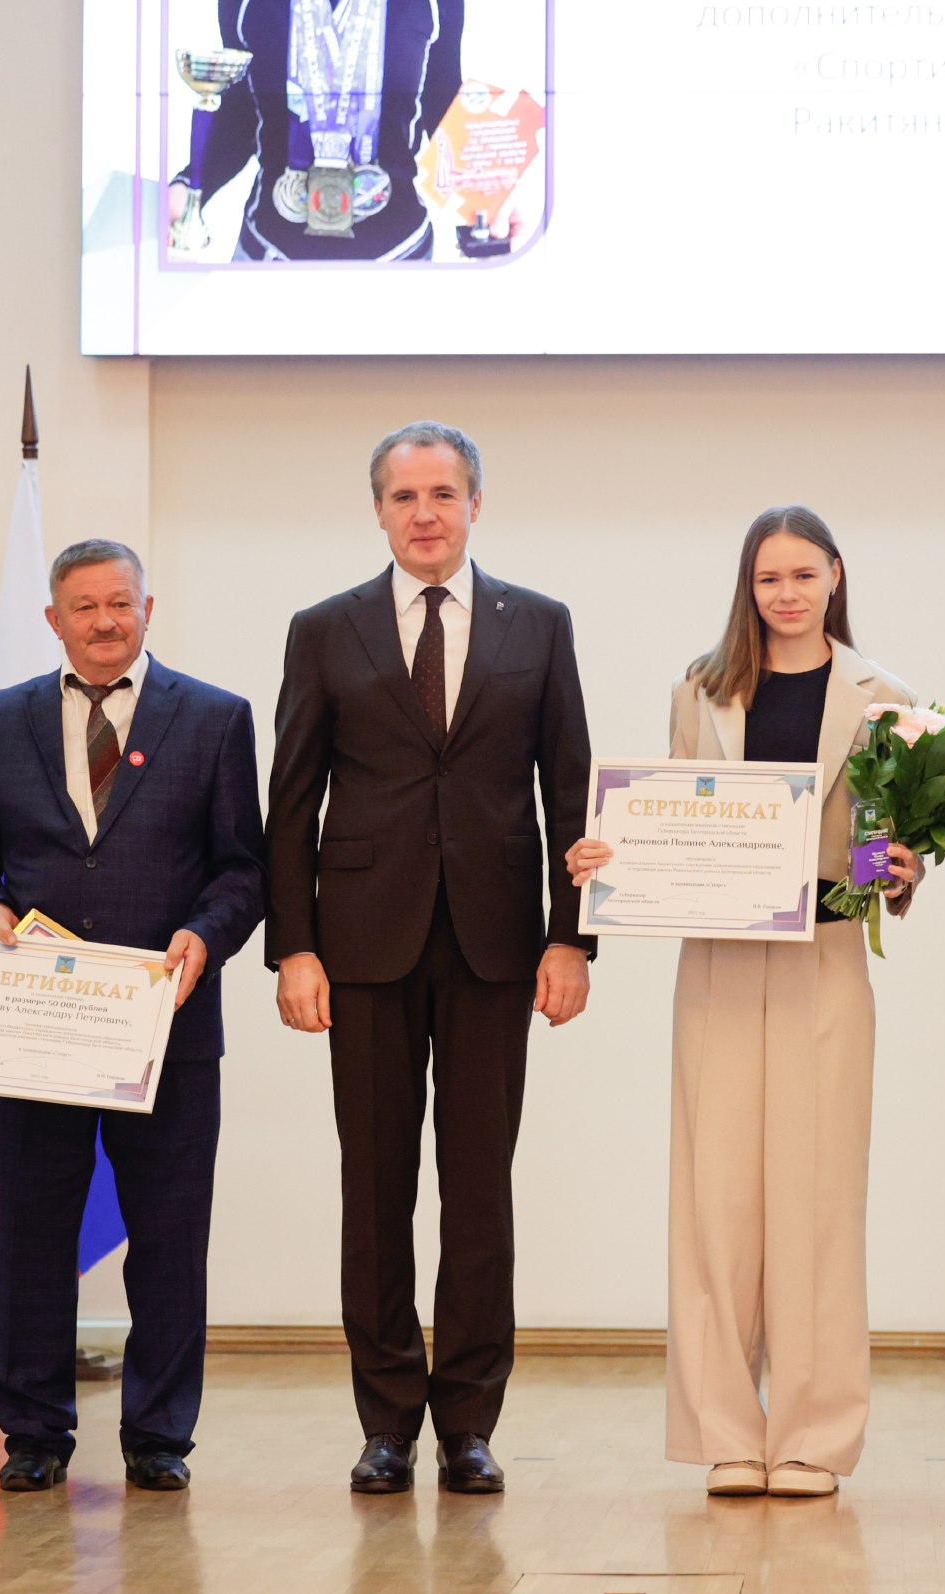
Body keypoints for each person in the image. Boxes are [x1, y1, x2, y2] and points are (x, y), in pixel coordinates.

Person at [566, 506, 922, 1500]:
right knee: (714, 1198)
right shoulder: (701, 687)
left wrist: (893, 868)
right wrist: (610, 856)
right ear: (748, 586)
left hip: (825, 958)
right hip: (719, 962)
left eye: (804, 574)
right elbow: (674, 821)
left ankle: (811, 1437)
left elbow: (878, 840)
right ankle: (726, 1433)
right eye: (769, 577)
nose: (787, 593)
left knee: (817, 1202)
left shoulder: (884, 697)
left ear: (835, 577)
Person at [267, 420, 594, 1496]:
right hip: (360, 946)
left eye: (443, 494)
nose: (424, 514)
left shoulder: (538, 626)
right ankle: (384, 1420)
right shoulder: (325, 630)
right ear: (377, 510)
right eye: (404, 497)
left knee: (478, 1188)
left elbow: (569, 790)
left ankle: (468, 1422)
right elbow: (290, 803)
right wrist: (294, 948)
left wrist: (570, 936)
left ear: (474, 504)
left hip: (499, 946)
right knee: (375, 1186)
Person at [0, 539, 269, 1493]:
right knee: (33, 1231)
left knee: (169, 1239)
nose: (105, 621)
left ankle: (160, 1436)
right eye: (85, 607)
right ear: (54, 620)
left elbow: (244, 867)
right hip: (37, 1025)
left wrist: (206, 936)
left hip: (166, 1024)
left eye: (121, 602)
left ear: (148, 608)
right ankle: (32, 1432)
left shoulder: (213, 719)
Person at [170, 0, 464, 262]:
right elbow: (243, 109)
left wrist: (489, 196)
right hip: (270, 254)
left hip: (400, 255)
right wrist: (190, 187)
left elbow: (443, 98)